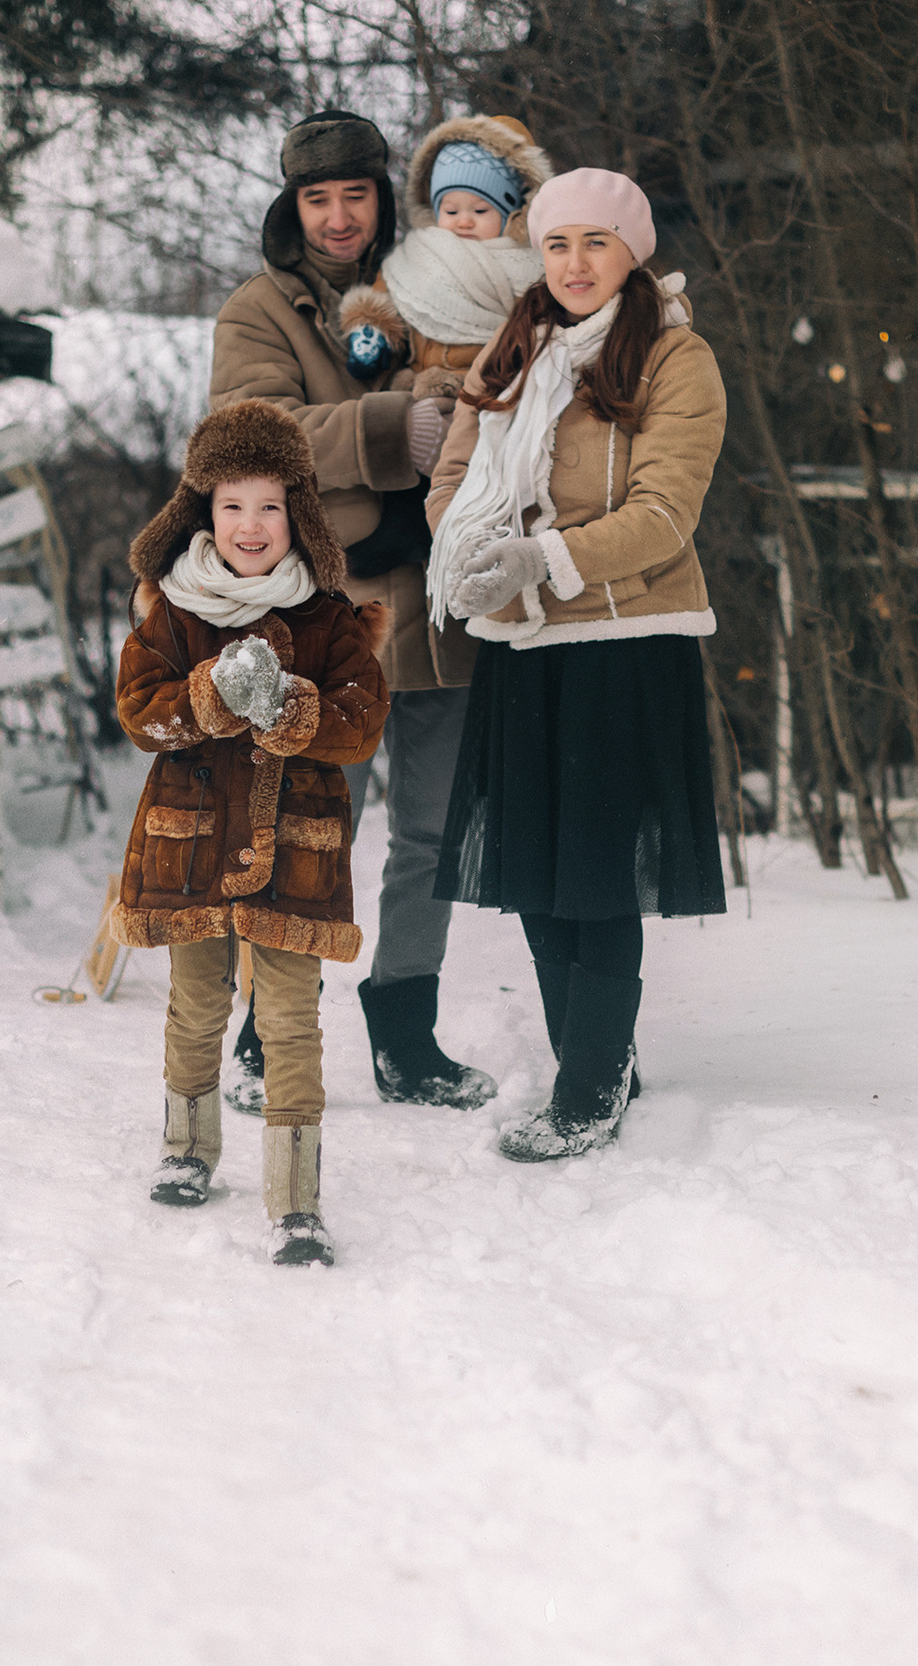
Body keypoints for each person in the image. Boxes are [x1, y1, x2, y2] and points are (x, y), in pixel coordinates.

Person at [423, 167, 729, 1162]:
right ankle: (598, 1059)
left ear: (630, 253)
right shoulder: (510, 355)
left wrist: (543, 559)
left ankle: (589, 1088)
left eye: (596, 242)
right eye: (557, 244)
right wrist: (467, 556)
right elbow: (454, 478)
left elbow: (663, 513)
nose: (575, 263)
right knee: (540, 878)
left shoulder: (675, 360)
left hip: (621, 644)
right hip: (521, 647)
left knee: (596, 879)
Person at [210, 109, 496, 1115]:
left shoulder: (450, 279)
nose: (337, 218)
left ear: (384, 198)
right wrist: (390, 430)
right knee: (307, 822)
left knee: (429, 829)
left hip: (447, 602)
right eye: (317, 199)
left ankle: (406, 1036)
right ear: (294, 207)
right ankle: (263, 1032)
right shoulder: (262, 309)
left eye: (355, 195)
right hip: (329, 613)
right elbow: (250, 436)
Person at [113, 400, 390, 1267]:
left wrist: (290, 709)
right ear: (202, 511)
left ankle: (296, 1200)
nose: (250, 524)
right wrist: (207, 698)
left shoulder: (327, 618)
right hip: (190, 846)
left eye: (269, 505)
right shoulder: (171, 610)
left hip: (292, 856)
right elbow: (138, 710)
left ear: (297, 512)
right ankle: (188, 1147)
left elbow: (361, 720)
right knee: (196, 1006)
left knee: (290, 1021)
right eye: (232, 504)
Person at [339, 115, 555, 399]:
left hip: (486, 382)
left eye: (480, 211)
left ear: (512, 216)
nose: (463, 222)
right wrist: (373, 327)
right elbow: (386, 295)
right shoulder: (417, 256)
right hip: (415, 380)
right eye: (451, 211)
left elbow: (538, 329)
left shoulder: (527, 266)